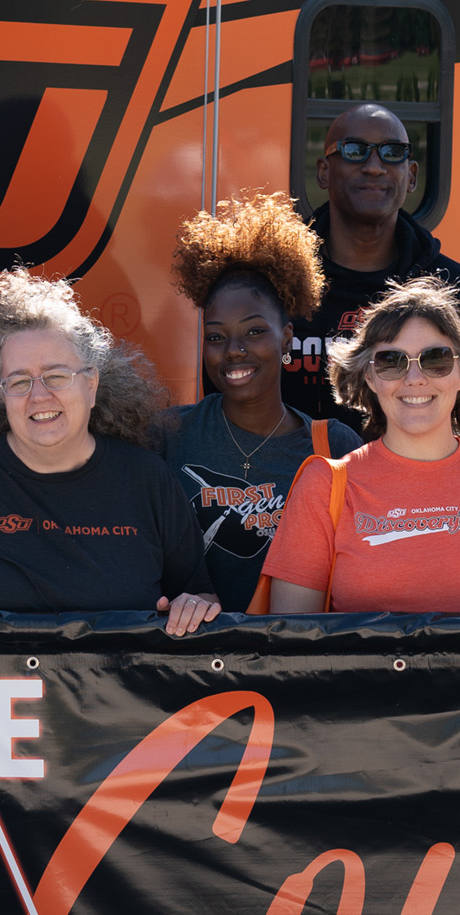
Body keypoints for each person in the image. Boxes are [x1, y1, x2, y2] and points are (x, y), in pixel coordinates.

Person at [0, 269, 221, 640]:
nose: (38, 397)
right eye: (20, 381)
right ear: (0, 395)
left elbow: (199, 591)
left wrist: (194, 606)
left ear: (91, 385)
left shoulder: (147, 479)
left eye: (56, 377)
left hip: (115, 695)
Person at [263, 276, 460, 613]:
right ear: (369, 376)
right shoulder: (324, 486)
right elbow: (292, 644)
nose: (414, 379)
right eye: (391, 361)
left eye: (435, 359)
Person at [158, 193, 364, 611]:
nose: (233, 350)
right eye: (216, 337)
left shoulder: (335, 448)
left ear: (286, 338)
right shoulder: (167, 435)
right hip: (190, 664)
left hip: (293, 665)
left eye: (254, 332)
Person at [282, 103, 460, 424]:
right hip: (293, 475)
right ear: (323, 171)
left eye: (392, 152)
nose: (374, 167)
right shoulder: (275, 286)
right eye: (355, 150)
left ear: (411, 176)